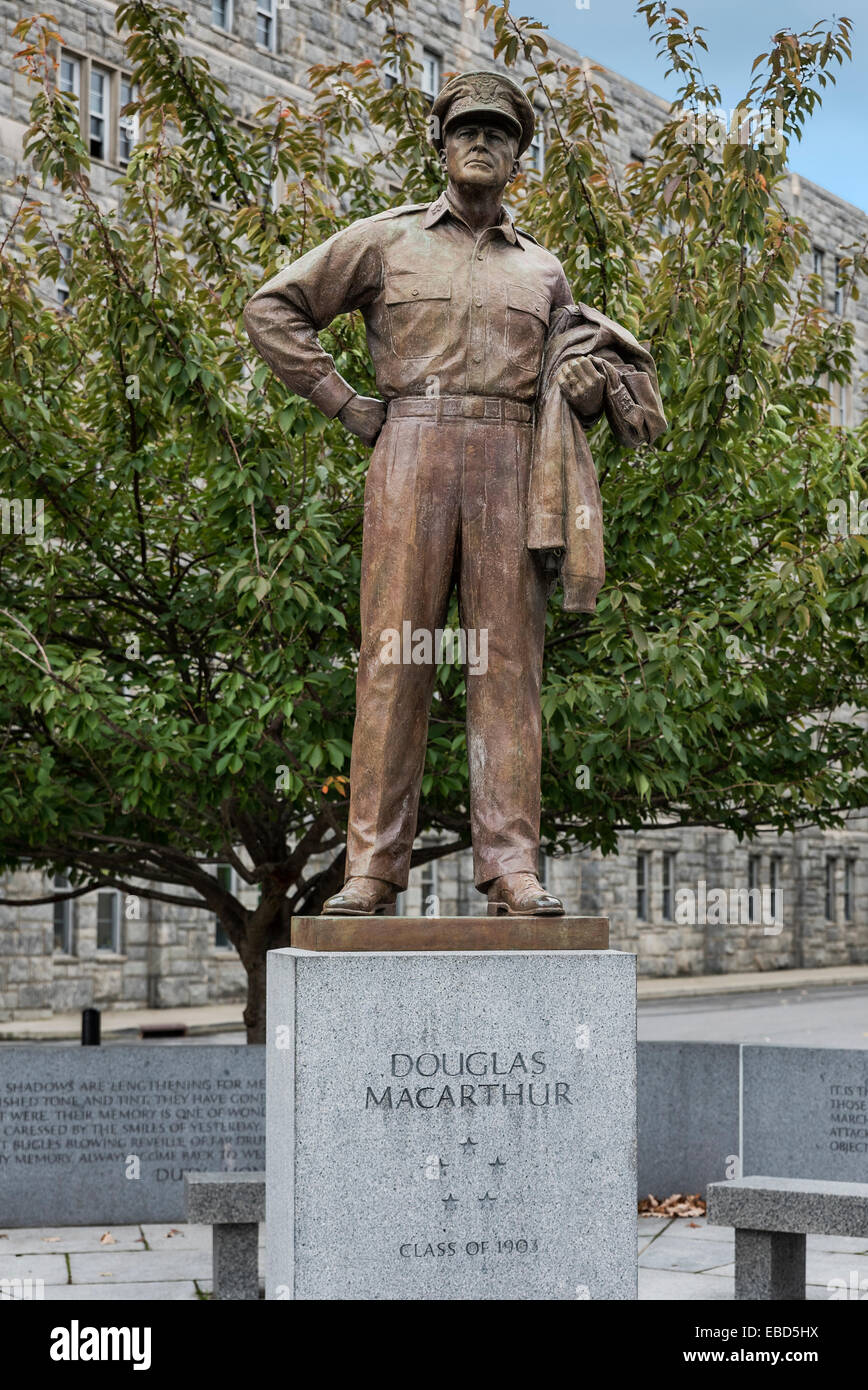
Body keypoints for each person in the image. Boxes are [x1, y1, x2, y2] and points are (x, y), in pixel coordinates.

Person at [243, 71, 665, 918]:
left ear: (517, 156)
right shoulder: (385, 241)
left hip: (514, 459)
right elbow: (272, 308)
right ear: (441, 143)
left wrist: (585, 387)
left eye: (499, 134)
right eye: (467, 128)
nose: (482, 142)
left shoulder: (544, 271)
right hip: (411, 449)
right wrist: (344, 403)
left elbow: (568, 385)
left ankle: (512, 867)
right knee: (394, 661)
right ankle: (372, 867)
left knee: (507, 669)